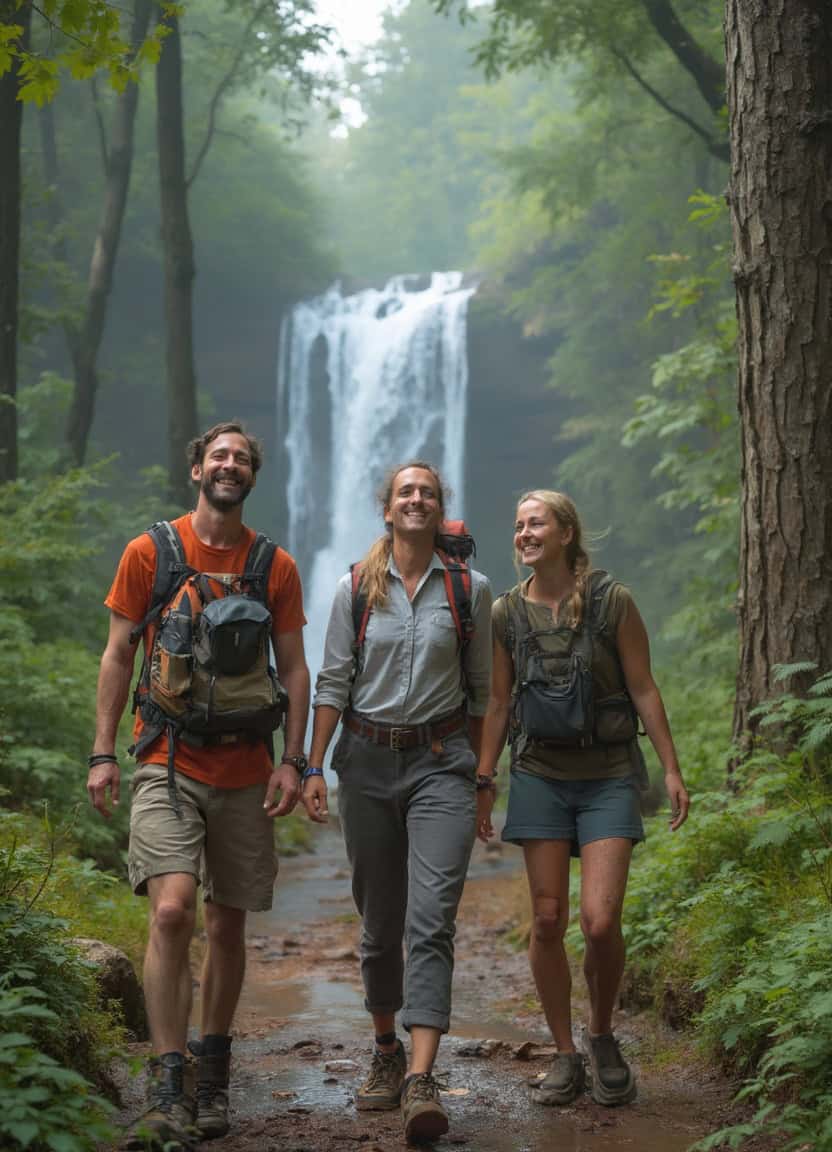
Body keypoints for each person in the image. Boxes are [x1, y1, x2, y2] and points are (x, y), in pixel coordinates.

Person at [86, 421, 310, 1150]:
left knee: (227, 924)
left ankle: (213, 1075)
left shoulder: (274, 565)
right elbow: (119, 655)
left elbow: (296, 669)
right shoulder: (149, 552)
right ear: (196, 471)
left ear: (252, 477)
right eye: (219, 455)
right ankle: (167, 1077)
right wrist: (102, 751)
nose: (230, 465)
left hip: (248, 767)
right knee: (174, 910)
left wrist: (295, 760)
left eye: (242, 459)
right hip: (165, 758)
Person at [475, 489, 689, 1108]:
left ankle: (601, 1035)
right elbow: (496, 703)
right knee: (547, 919)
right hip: (539, 773)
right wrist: (485, 781)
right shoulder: (506, 614)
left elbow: (644, 689)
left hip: (609, 776)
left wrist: (671, 769)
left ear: (565, 533)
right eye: (517, 525)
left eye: (535, 523)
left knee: (599, 921)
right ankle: (564, 1053)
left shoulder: (611, 602)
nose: (523, 533)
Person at [302, 462, 493, 1143]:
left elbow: (481, 693)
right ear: (388, 508)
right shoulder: (357, 585)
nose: (417, 499)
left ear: (442, 511)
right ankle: (384, 1048)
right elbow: (332, 681)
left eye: (429, 493)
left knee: (430, 919)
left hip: (442, 766)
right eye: (406, 491)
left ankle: (420, 1077)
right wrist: (311, 767)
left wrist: (479, 775)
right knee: (380, 924)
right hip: (366, 763)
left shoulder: (472, 590)